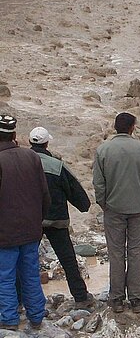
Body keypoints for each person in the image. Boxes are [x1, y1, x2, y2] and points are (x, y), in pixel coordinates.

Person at [93, 113, 140, 314]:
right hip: (139, 208)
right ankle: (137, 299)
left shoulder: (103, 150)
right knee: (136, 253)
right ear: (132, 128)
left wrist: (104, 204)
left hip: (113, 209)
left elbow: (98, 183)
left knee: (116, 253)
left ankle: (117, 299)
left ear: (115, 127)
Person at [29, 127, 93, 310]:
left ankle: (20, 302)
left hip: (30, 221)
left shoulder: (23, 162)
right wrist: (84, 206)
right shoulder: (56, 165)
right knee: (68, 260)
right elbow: (76, 191)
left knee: (25, 261)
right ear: (47, 143)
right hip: (56, 220)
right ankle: (80, 296)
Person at [0, 114, 50, 331]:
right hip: (31, 231)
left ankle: (10, 319)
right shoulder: (32, 157)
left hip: (4, 234)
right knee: (30, 274)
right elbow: (44, 196)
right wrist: (37, 222)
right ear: (14, 134)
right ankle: (37, 316)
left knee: (5, 277)